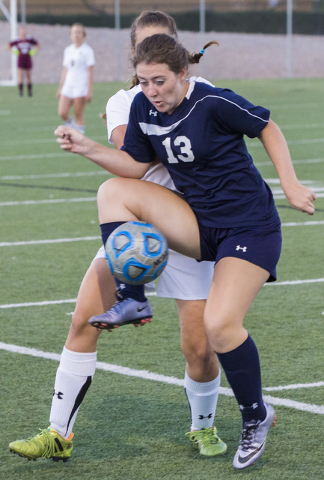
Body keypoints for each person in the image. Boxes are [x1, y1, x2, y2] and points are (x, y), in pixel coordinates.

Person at [53, 34, 316, 469]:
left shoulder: (211, 102)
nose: (152, 91)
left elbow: (267, 127)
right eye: (143, 82)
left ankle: (256, 415)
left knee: (218, 325)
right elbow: (136, 167)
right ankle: (132, 298)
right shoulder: (142, 105)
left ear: (183, 74)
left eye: (160, 81)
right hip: (198, 225)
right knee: (113, 191)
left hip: (248, 226)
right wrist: (87, 147)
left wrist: (289, 183)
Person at [9, 12, 226, 463]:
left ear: (175, 50)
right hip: (132, 230)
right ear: (134, 53)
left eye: (163, 44)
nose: (152, 54)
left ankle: (203, 427)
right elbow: (136, 158)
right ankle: (58, 433)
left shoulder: (198, 94)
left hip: (189, 226)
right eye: (145, 46)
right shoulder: (126, 101)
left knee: (200, 346)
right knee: (83, 319)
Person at [56, 23, 95, 134]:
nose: (76, 34)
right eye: (74, 32)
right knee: (62, 112)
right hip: (69, 84)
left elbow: (90, 72)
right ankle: (73, 129)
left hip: (81, 85)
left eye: (79, 32)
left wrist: (89, 91)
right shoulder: (68, 50)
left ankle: (80, 137)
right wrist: (60, 87)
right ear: (70, 35)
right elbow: (65, 69)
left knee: (78, 114)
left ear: (83, 35)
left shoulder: (87, 51)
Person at [7, 25, 41, 97]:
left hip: (28, 60)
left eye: (24, 31)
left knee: (29, 76)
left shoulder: (29, 39)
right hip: (21, 60)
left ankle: (29, 93)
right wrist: (15, 52)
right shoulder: (17, 40)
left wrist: (34, 52)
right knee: (20, 76)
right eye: (21, 31)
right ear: (19, 32)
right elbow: (8, 45)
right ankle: (20, 93)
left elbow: (38, 45)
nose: (23, 32)